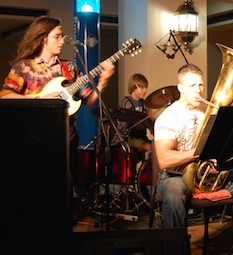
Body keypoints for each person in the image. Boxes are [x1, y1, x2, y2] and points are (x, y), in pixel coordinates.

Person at [0, 16, 115, 223]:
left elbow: (89, 101)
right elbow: (5, 95)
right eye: (57, 36)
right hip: (34, 136)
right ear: (43, 38)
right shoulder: (24, 67)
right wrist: (38, 98)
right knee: (34, 183)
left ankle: (62, 226)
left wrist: (104, 79)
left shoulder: (69, 68)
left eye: (62, 36)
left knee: (64, 182)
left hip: (65, 134)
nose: (62, 40)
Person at [153, 63, 233, 250]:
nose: (198, 90)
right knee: (174, 196)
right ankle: (177, 249)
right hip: (175, 176)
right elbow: (165, 160)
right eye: (192, 86)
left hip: (206, 175)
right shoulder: (168, 117)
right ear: (180, 88)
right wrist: (201, 153)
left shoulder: (208, 111)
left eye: (201, 85)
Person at [114, 73, 154, 159]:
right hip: (127, 139)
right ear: (134, 87)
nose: (145, 90)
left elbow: (150, 122)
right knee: (148, 147)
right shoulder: (126, 102)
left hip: (141, 138)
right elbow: (126, 124)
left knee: (157, 147)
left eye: (146, 87)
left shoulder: (145, 104)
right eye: (142, 87)